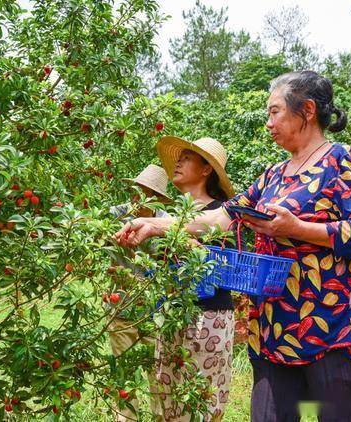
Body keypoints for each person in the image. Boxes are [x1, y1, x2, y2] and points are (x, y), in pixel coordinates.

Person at [114, 70, 351, 421]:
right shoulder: (272, 175)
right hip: (273, 332)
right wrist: (155, 224)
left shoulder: (340, 161)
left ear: (306, 111)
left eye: (274, 111)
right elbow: (222, 217)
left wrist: (299, 228)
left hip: (331, 328)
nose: (268, 123)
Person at [153, 136, 236, 421]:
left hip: (208, 318)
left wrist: (167, 230)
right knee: (170, 398)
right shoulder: (171, 216)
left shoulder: (221, 213)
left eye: (187, 158)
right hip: (170, 315)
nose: (178, 162)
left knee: (202, 398)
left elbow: (220, 267)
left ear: (205, 170)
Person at [107, 164, 170, 421]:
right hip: (120, 308)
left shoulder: (166, 222)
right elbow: (99, 250)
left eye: (147, 192)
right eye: (138, 190)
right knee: (123, 377)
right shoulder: (116, 215)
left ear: (156, 197)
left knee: (157, 377)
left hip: (153, 314)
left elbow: (170, 262)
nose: (140, 196)